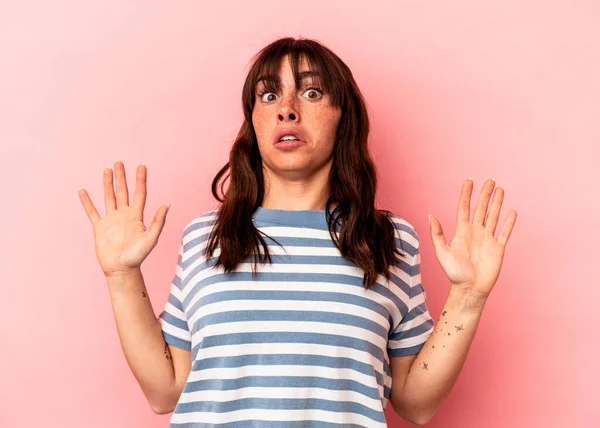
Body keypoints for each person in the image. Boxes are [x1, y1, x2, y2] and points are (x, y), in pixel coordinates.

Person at [78, 37, 517, 427]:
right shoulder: (205, 237)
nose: (287, 109)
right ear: (253, 123)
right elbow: (165, 391)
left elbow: (415, 404)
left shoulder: (388, 241)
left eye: (310, 92)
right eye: (268, 95)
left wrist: (468, 297)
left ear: (343, 117)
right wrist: (121, 276)